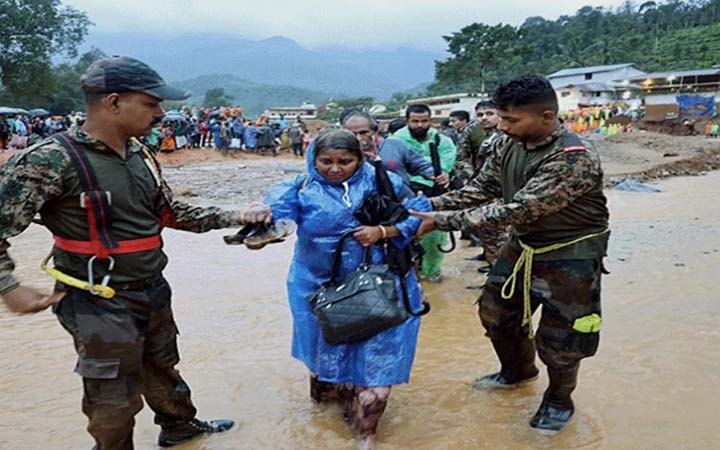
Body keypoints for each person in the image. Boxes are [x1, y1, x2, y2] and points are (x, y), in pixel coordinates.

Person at [0, 56, 248, 449]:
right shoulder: (51, 160)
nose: (162, 113)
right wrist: (9, 286)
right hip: (96, 299)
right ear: (113, 103)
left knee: (162, 366)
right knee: (112, 398)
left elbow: (169, 212)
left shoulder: (141, 154)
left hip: (151, 289)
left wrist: (236, 215)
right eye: (151, 104)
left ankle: (180, 430)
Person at [411, 75, 609, 433]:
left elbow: (515, 210)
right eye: (501, 118)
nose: (502, 126)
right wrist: (423, 205)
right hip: (522, 247)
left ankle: (559, 399)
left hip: (570, 256)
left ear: (547, 116)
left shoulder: (573, 158)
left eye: (511, 120)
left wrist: (439, 221)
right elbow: (483, 187)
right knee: (496, 312)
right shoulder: (508, 142)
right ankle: (518, 372)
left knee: (563, 336)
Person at [244, 129, 429, 450]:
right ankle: (328, 419)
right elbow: (277, 218)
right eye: (326, 161)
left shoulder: (385, 182)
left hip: (379, 287)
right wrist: (260, 219)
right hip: (318, 290)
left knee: (377, 368)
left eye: (345, 161)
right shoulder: (299, 187)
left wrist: (384, 231)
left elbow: (421, 215)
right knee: (324, 365)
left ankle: (365, 437)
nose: (335, 168)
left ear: (360, 158)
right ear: (313, 159)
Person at [391, 104, 456, 283]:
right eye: (415, 121)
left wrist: (421, 166)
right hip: (405, 194)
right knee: (403, 233)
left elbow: (445, 166)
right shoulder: (396, 141)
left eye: (424, 121)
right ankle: (409, 273)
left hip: (435, 192)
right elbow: (395, 167)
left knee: (435, 233)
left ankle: (432, 270)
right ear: (407, 121)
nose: (420, 125)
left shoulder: (443, 141)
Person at [342, 110, 437, 187]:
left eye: (364, 133)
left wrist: (436, 175)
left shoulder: (395, 145)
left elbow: (421, 165)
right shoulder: (341, 155)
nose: (359, 138)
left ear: (375, 131)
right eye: (353, 134)